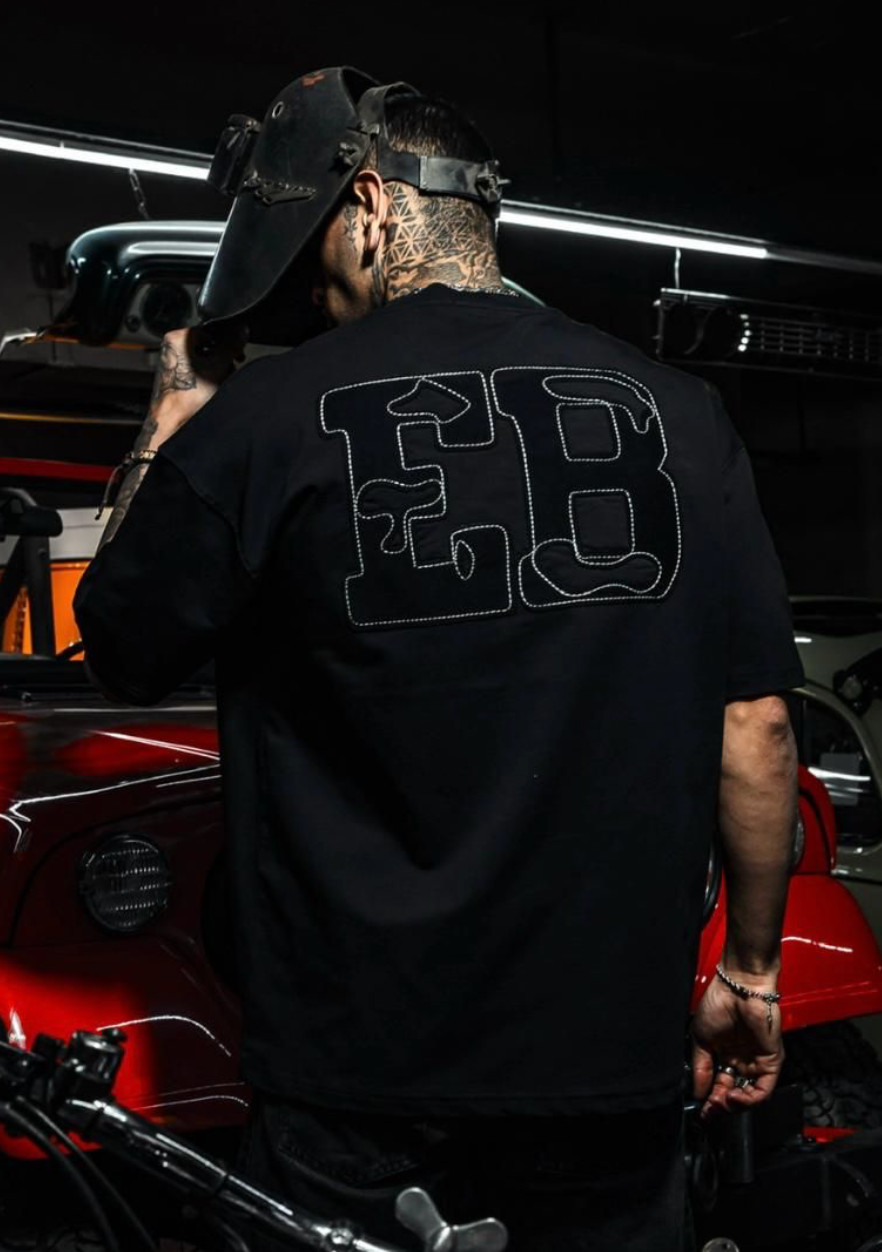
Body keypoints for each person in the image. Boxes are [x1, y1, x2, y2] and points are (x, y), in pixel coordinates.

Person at [73, 67, 802, 1252]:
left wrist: (168, 421)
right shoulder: (683, 415)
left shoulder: (268, 417)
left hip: (356, 1070)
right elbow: (756, 728)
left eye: (316, 254)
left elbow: (120, 649)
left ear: (367, 204)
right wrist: (752, 974)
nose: (315, 291)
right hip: (605, 1062)